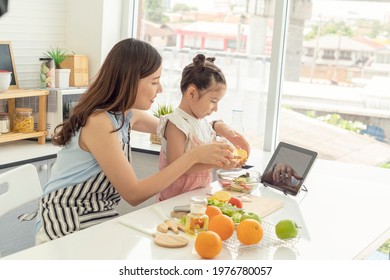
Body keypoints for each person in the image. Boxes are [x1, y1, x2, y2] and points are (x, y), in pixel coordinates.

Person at [34, 38, 235, 243]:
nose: (160, 89)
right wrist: (192, 156)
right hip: (66, 220)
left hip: (98, 216)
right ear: (129, 81)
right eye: (155, 81)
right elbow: (134, 194)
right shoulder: (99, 123)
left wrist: (218, 126)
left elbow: (177, 126)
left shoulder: (127, 115)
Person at [156, 54, 250, 201]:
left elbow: (211, 153)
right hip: (174, 201)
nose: (216, 108)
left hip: (199, 197)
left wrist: (228, 157)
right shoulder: (176, 124)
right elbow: (177, 167)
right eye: (213, 101)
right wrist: (215, 163)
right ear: (192, 93)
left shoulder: (204, 124)